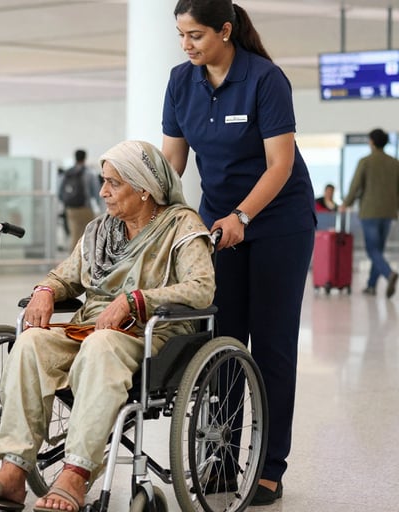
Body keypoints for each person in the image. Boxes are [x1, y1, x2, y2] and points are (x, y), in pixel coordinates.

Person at [0, 140, 216, 512]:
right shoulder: (99, 230)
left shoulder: (181, 225)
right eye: (103, 180)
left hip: (149, 335)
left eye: (114, 183)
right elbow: (65, 276)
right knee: (30, 343)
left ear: (144, 188)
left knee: (101, 345)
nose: (103, 191)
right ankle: (12, 472)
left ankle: (75, 475)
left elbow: (201, 288)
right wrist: (45, 291)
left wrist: (134, 300)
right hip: (91, 329)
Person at [161, 1, 316, 506]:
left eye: (196, 35)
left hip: (278, 224)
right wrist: (150, 207)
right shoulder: (181, 82)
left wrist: (242, 217)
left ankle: (269, 467)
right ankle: (222, 460)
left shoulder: (264, 79)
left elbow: (280, 164)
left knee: (271, 346)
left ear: (225, 31)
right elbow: (172, 162)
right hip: (217, 226)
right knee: (220, 343)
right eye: (181, 34)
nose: (186, 44)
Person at [339, 128, 399, 297]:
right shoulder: (395, 163)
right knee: (378, 249)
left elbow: (355, 185)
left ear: (372, 142)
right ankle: (371, 285)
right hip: (388, 212)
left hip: (370, 212)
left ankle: (389, 273)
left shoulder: (366, 161)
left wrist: (346, 203)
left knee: (372, 250)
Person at [58, 149, 101, 250]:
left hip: (71, 209)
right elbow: (96, 192)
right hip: (85, 208)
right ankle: (87, 256)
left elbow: (60, 192)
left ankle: (73, 257)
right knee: (89, 234)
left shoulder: (67, 173)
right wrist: (98, 206)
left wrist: (67, 203)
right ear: (85, 158)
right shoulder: (89, 173)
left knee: (74, 234)